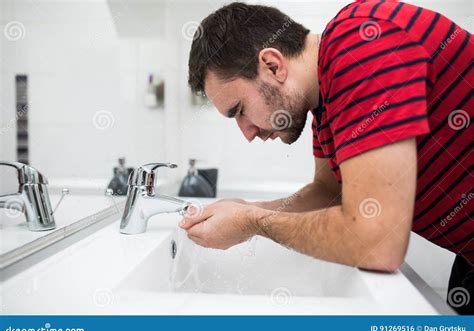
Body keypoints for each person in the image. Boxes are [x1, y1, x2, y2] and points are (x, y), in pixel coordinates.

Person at [181, 1, 473, 314]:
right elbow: (330, 192)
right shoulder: (328, 98)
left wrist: (253, 222)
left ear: (273, 65)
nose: (247, 132)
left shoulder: (360, 47)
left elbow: (377, 245)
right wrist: (247, 210)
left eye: (239, 110)